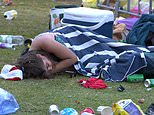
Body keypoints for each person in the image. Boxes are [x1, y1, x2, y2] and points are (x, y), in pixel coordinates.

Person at [16, 25, 154, 81]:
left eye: (47, 65)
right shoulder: (32, 61)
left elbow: (72, 58)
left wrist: (55, 69)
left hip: (77, 38)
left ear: (40, 55)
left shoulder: (43, 42)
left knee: (113, 52)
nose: (50, 68)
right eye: (48, 69)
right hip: (69, 47)